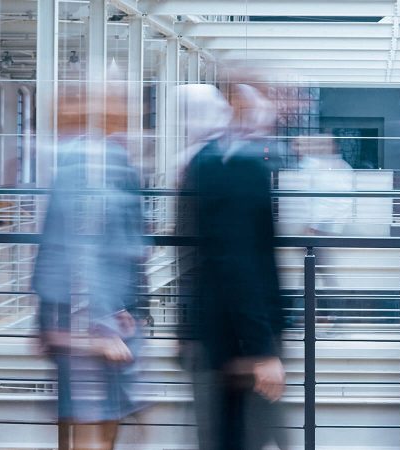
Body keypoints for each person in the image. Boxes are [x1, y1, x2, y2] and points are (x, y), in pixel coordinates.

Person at [33, 84, 146, 450]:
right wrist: (100, 324)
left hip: (86, 313)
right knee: (91, 417)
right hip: (85, 317)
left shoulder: (86, 161)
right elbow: (77, 249)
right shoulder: (90, 163)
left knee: (88, 416)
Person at [177, 84, 286, 450]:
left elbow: (192, 256)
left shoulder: (201, 163)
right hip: (237, 339)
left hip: (215, 333)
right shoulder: (237, 167)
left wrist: (185, 326)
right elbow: (240, 261)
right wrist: (262, 348)